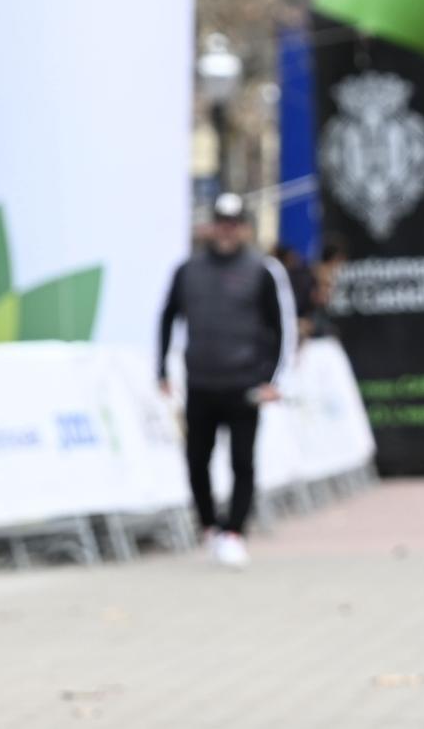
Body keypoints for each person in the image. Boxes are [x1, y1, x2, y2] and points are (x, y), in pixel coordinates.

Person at [157, 193, 295, 569]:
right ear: (211, 226)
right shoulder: (189, 271)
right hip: (201, 382)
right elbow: (168, 316)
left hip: (244, 383)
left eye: (234, 223)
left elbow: (280, 327)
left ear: (244, 228)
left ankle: (234, 531)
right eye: (221, 222)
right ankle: (209, 524)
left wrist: (272, 378)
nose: (227, 230)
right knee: (196, 461)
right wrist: (162, 370)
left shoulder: (261, 270)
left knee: (242, 462)